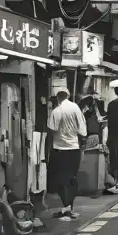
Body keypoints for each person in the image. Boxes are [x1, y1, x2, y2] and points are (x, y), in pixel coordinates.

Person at [47, 89, 87, 221]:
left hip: (59, 149)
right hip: (74, 149)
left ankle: (67, 206)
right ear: (68, 96)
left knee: (61, 180)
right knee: (72, 178)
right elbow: (83, 130)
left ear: (57, 97)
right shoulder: (75, 108)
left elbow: (51, 129)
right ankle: (70, 207)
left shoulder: (56, 111)